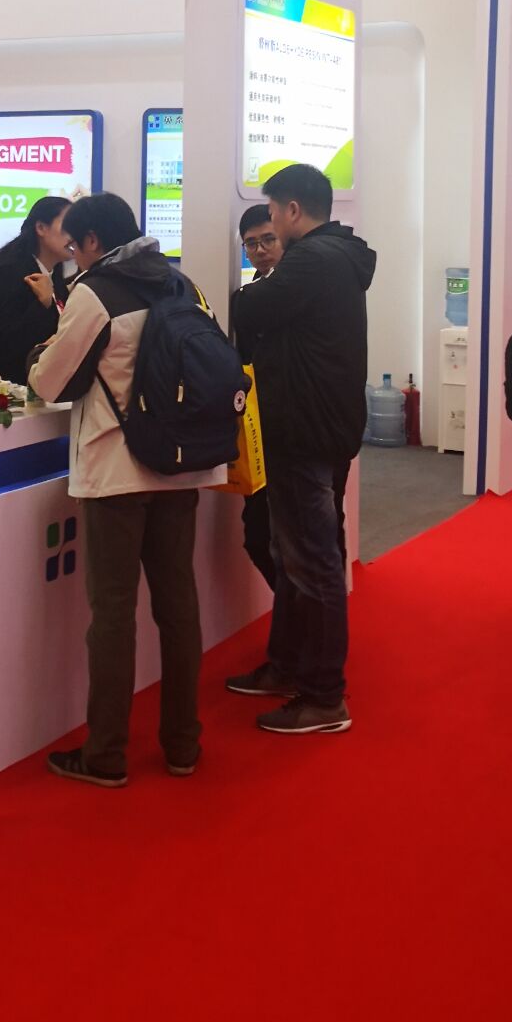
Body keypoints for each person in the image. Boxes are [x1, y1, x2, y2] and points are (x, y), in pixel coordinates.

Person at [28, 193, 225, 788]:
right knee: (178, 605)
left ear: (93, 241)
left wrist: (39, 355)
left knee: (113, 613)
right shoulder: (182, 284)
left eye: (74, 245)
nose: (73, 255)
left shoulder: (96, 292)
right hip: (181, 466)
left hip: (117, 471)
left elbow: (50, 382)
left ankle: (107, 754)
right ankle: (183, 744)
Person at [234, 163, 375, 738]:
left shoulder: (313, 260)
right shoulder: (338, 256)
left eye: (272, 213)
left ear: (293, 210)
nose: (269, 227)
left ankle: (323, 696)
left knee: (313, 563)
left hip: (304, 431)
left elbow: (246, 311)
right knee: (293, 554)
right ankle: (288, 665)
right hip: (318, 427)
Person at [225, 205, 285, 699]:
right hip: (256, 429)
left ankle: (295, 648)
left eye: (268, 239)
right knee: (260, 536)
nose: (261, 250)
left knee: (279, 541)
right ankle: (299, 635)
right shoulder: (244, 299)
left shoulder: (299, 292)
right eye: (252, 243)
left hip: (292, 433)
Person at [0, 196, 73, 384]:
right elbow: (4, 341)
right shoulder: (10, 270)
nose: (75, 235)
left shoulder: (55, 274)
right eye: (68, 226)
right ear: (41, 228)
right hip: (8, 386)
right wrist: (43, 305)